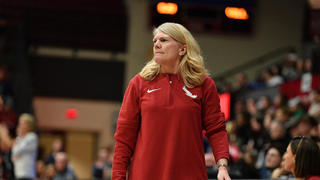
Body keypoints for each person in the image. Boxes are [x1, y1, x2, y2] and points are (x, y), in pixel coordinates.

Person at [112, 22, 230, 180]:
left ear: (183, 49)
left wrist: (222, 166)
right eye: (155, 41)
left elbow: (216, 129)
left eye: (164, 40)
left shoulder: (204, 84)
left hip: (190, 175)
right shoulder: (139, 83)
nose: (157, 45)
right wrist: (118, 177)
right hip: (145, 175)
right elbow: (124, 137)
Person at [0, 113, 38, 180]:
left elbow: (17, 150)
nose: (20, 126)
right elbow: (13, 155)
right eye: (20, 123)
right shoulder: (20, 139)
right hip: (19, 174)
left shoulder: (31, 137)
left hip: (27, 174)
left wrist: (5, 136)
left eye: (23, 123)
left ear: (29, 125)